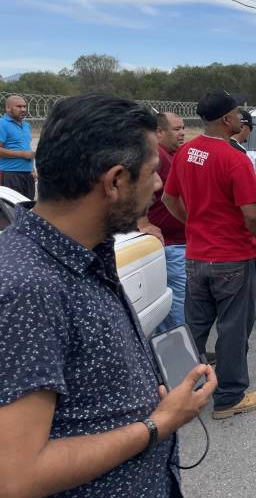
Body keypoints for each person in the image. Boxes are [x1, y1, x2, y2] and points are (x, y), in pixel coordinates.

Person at [0, 94, 216, 497]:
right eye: (152, 172)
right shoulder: (29, 287)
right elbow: (16, 476)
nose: (159, 184)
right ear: (115, 181)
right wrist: (158, 425)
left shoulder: (82, 253)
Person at [163, 91, 256, 421]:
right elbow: (252, 215)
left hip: (196, 256)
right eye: (238, 113)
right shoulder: (234, 159)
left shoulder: (186, 153)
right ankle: (228, 397)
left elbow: (169, 199)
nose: (241, 118)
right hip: (231, 258)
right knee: (233, 330)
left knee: (195, 327)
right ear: (226, 119)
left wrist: (195, 224)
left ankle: (184, 394)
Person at [137, 112, 188, 332]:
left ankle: (181, 352)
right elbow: (139, 184)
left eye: (183, 128)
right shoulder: (155, 155)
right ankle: (179, 358)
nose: (182, 133)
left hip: (177, 241)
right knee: (177, 301)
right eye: (176, 129)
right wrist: (143, 221)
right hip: (170, 243)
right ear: (159, 132)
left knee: (178, 301)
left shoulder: (170, 155)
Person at [0, 95, 36, 199]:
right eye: (19, 106)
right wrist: (22, 154)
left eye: (24, 106)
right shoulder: (2, 124)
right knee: (11, 211)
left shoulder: (26, 125)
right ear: (8, 108)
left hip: (27, 175)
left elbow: (26, 147)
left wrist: (32, 169)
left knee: (27, 209)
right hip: (9, 175)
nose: (23, 109)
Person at [231, 109, 256, 192]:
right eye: (251, 128)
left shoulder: (236, 147)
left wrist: (255, 164)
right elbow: (239, 180)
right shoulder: (237, 150)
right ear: (242, 127)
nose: (250, 132)